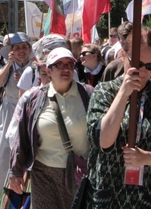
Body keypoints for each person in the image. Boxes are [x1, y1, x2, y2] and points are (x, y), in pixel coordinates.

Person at [83, 27, 151, 208]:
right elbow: (103, 141)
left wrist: (146, 157)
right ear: (124, 56)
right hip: (110, 198)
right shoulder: (104, 92)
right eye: (137, 63)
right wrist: (123, 93)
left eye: (150, 67)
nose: (142, 71)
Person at [8, 48, 94, 208]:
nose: (66, 69)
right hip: (43, 173)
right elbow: (22, 137)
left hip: (78, 173)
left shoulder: (88, 94)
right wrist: (16, 171)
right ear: (48, 70)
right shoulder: (35, 98)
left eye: (69, 64)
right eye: (59, 64)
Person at [0, 32, 33, 191]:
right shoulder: (7, 66)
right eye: (17, 48)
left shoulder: (35, 67)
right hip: (8, 111)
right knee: (2, 154)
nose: (21, 51)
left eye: (24, 47)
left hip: (28, 111)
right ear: (11, 50)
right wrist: (8, 65)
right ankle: (4, 190)